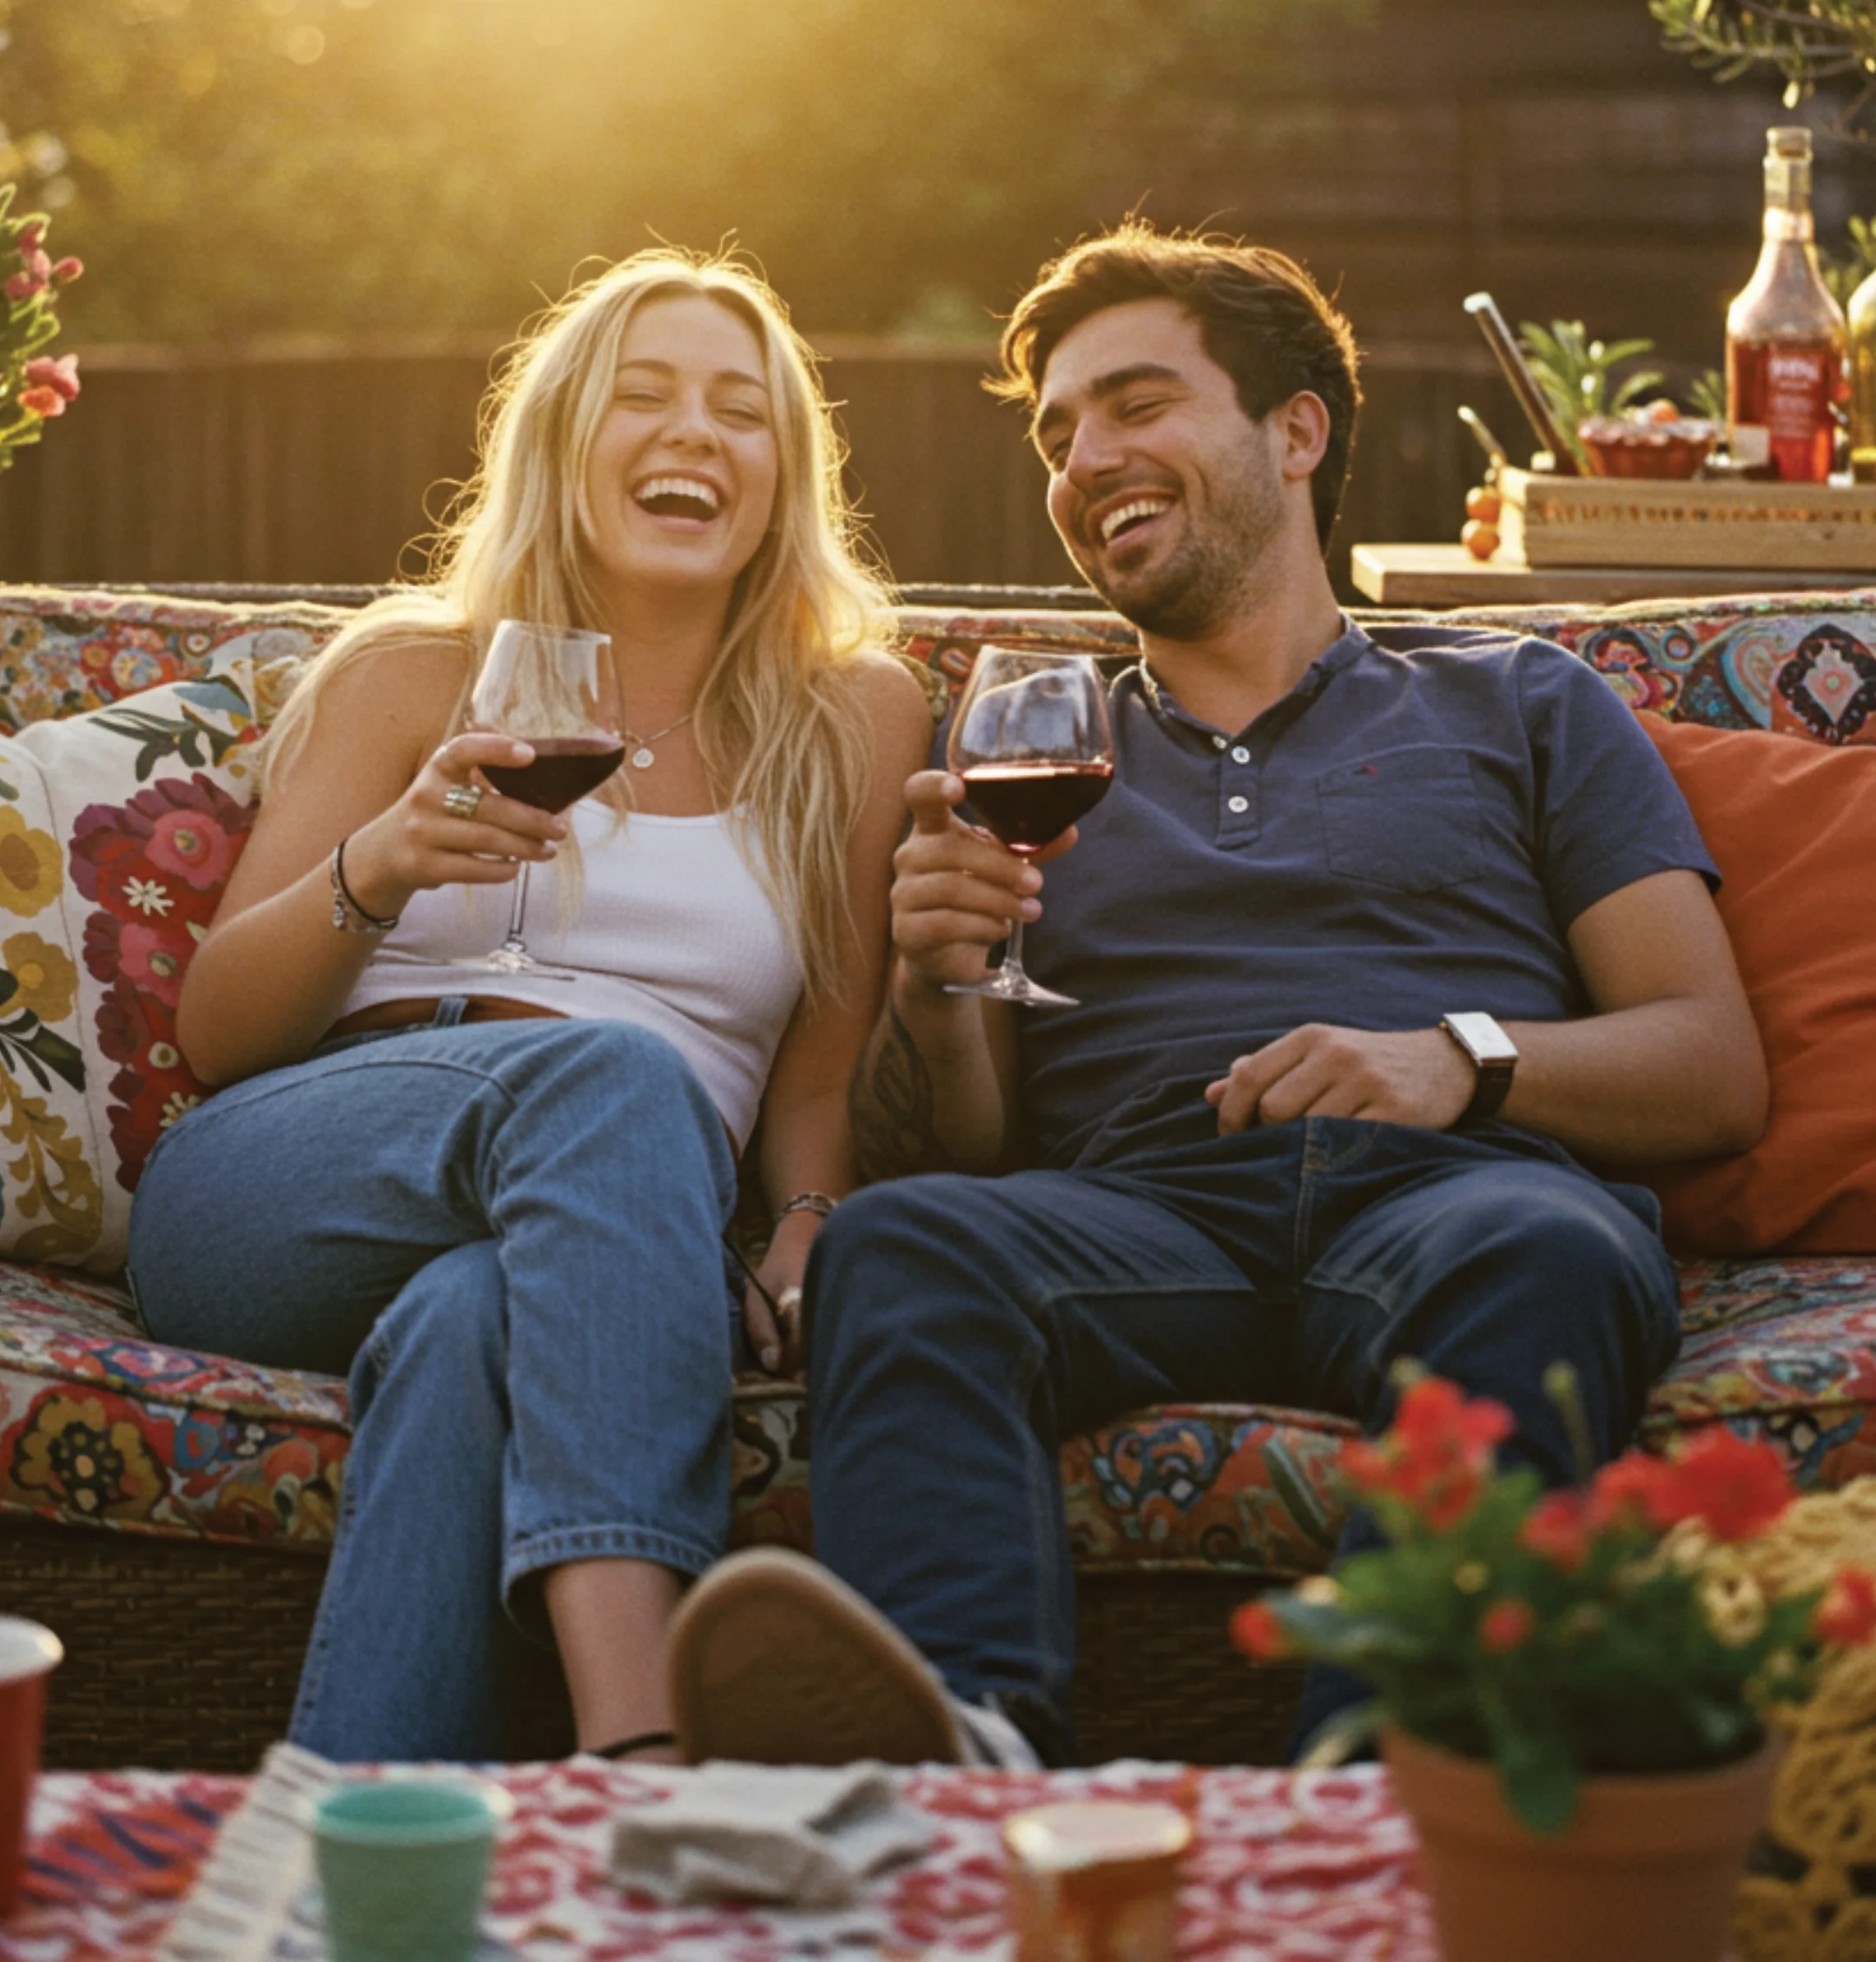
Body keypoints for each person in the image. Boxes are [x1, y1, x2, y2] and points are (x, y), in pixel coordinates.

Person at [663, 221, 1769, 1773]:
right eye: (1060, 434)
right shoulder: (1030, 741)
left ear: (1295, 432)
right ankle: (962, 1753)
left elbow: (1712, 1065)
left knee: (1553, 1253)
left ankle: (1382, 1793)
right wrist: (942, 987)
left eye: (1136, 404)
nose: (1085, 459)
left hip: (1454, 1199)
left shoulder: (1521, 698)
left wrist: (1455, 1060)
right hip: (1139, 1214)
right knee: (901, 1245)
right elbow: (973, 1149)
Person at [125, 248, 932, 1764]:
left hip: (607, 1231)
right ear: (562, 440)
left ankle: (361, 1835)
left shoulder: (857, 718)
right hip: (291, 1184)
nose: (693, 433)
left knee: (471, 1325)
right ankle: (645, 1739)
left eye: (740, 411)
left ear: (785, 475)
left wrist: (811, 1222)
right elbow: (219, 1033)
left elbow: (815, 1074)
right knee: (616, 1077)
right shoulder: (415, 674)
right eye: (645, 395)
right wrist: (380, 865)